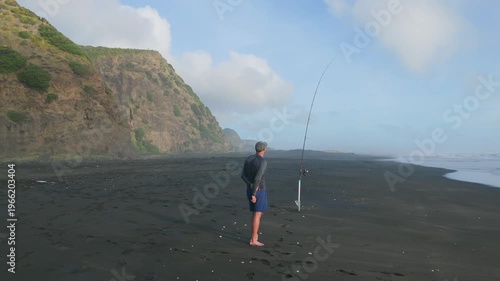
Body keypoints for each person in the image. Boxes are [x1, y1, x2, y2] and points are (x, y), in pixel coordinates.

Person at [241, 141, 268, 247]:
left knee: (257, 213)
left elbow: (243, 175)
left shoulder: (248, 159)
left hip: (250, 189)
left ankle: (254, 236)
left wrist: (250, 185)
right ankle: (253, 239)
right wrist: (254, 192)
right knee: (257, 213)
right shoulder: (263, 161)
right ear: (264, 149)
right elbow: (258, 177)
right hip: (258, 190)